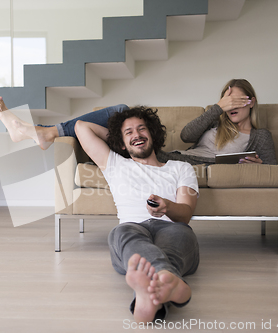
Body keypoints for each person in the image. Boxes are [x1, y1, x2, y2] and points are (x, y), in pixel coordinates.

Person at [74, 106, 199, 323]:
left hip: (173, 227)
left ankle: (146, 297)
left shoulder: (181, 168)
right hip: (132, 227)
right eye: (129, 132)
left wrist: (167, 206)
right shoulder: (114, 163)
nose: (137, 135)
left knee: (181, 234)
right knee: (122, 234)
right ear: (121, 143)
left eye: (142, 130)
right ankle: (169, 282)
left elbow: (186, 213)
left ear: (152, 133)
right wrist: (117, 139)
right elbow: (81, 126)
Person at [0, 79, 277, 164]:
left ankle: (43, 133)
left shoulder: (260, 136)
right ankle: (46, 133)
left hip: (168, 162)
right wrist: (217, 108)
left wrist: (258, 167)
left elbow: (275, 171)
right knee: (119, 109)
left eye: (237, 101)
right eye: (227, 102)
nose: (231, 108)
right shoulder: (215, 123)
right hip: (167, 155)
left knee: (98, 122)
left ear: (250, 102)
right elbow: (189, 136)